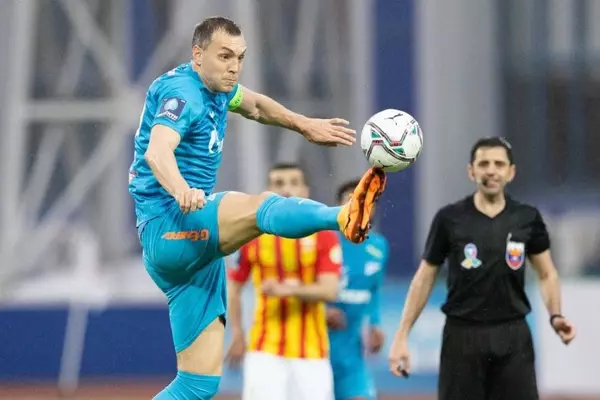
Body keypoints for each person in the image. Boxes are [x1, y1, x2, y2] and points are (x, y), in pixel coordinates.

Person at [128, 16, 387, 400]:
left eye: (240, 57)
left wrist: (304, 125)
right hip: (170, 223)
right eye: (225, 56)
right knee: (262, 206)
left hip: (192, 254)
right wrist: (181, 190)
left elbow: (256, 106)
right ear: (197, 55)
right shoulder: (182, 93)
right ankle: (341, 216)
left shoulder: (218, 87)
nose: (234, 66)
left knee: (197, 385)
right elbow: (157, 151)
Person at [387, 137, 576, 400]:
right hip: (462, 337)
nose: (491, 170)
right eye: (484, 164)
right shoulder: (449, 218)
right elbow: (424, 278)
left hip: (513, 336)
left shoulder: (527, 218)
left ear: (511, 172)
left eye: (499, 164)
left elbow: (547, 274)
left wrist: (555, 316)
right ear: (471, 171)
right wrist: (402, 335)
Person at [226, 163, 341, 400]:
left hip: (312, 352)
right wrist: (237, 333)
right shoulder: (252, 235)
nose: (286, 190)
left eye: (294, 183)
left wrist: (286, 290)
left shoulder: (324, 236)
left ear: (306, 191)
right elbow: (233, 287)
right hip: (264, 350)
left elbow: (330, 290)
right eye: (278, 184)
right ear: (267, 192)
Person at [326, 180, 389, 400]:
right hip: (317, 351)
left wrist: (375, 324)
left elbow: (374, 291)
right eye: (352, 200)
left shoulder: (379, 246)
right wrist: (321, 311)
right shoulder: (323, 241)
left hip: (352, 356)